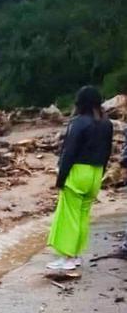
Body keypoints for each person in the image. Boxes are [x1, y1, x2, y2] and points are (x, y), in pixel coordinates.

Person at [46, 85, 113, 272]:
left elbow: (69, 152)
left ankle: (67, 257)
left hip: (78, 172)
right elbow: (107, 152)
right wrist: (101, 173)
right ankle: (75, 256)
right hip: (96, 173)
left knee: (70, 216)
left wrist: (61, 178)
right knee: (83, 216)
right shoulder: (107, 123)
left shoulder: (79, 122)